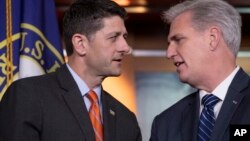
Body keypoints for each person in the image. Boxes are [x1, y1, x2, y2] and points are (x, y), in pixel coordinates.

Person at [0, 0, 142, 141]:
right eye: (113, 37)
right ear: (80, 44)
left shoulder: (126, 119)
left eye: (124, 37)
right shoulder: (28, 96)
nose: (125, 47)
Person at [150, 0, 250, 141]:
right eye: (169, 44)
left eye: (178, 40)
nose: (169, 53)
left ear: (212, 38)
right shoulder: (165, 123)